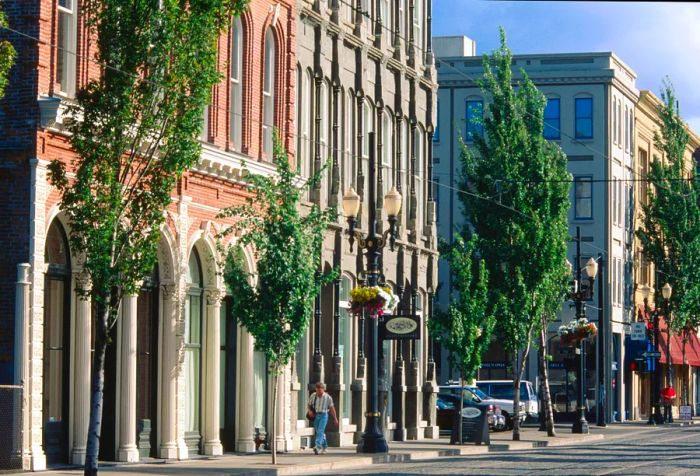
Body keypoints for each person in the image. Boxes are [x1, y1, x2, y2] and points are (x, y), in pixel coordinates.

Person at [308, 382, 338, 454]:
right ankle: (325, 446)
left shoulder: (328, 397)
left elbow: (332, 408)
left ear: (323, 389)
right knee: (319, 432)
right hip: (316, 415)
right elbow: (309, 404)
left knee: (320, 430)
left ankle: (317, 446)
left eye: (320, 391)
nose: (318, 393)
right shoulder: (313, 395)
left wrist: (335, 418)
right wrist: (309, 411)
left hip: (324, 415)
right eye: (317, 391)